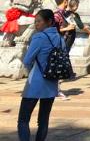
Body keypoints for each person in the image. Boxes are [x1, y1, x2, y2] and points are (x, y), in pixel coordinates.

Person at [17, 9, 63, 141]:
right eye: (35, 22)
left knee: (23, 120)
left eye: (39, 21)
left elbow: (27, 60)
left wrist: (34, 68)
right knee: (43, 120)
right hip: (52, 83)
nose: (36, 24)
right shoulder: (60, 38)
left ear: (49, 22)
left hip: (35, 83)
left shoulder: (39, 37)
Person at [52, 0, 74, 101]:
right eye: (67, 1)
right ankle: (55, 92)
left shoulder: (63, 14)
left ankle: (56, 91)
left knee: (59, 69)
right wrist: (67, 28)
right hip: (57, 45)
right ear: (65, 1)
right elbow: (53, 30)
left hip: (61, 45)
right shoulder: (56, 15)